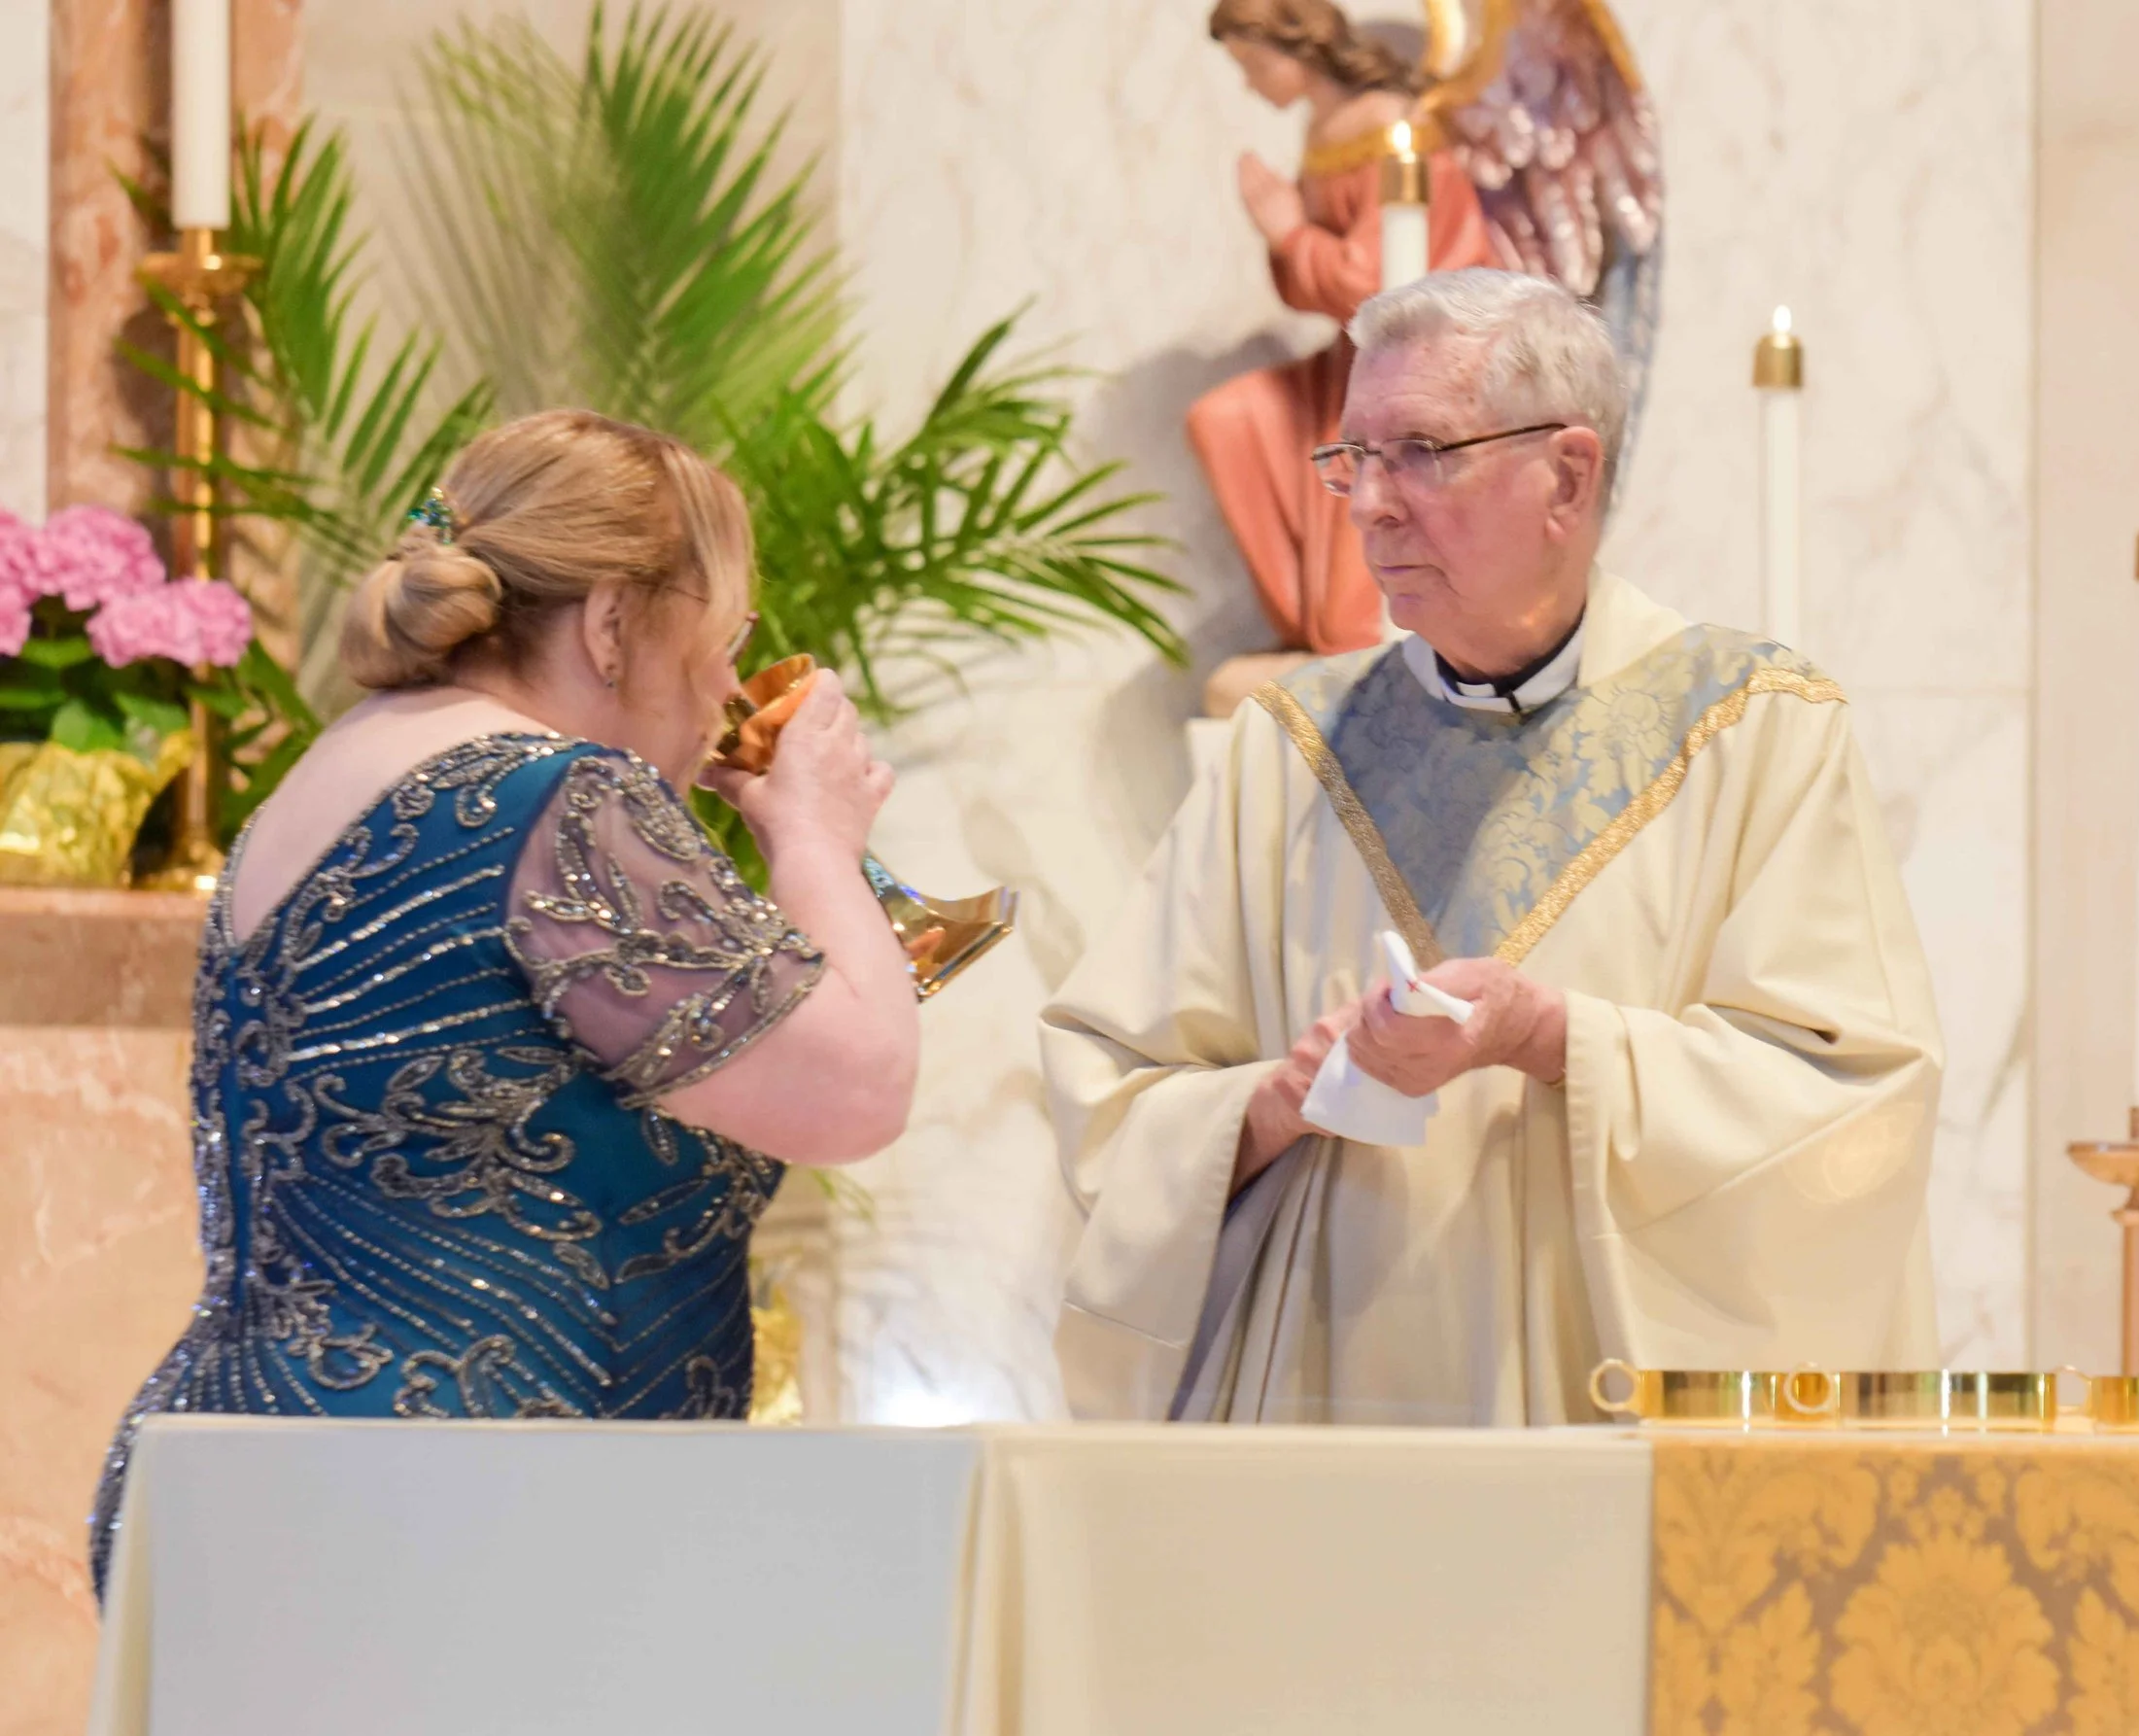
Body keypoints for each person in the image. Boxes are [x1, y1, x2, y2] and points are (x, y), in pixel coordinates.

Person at [1047, 270, 1942, 1425]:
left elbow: (1850, 1098)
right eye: (1354, 458)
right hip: (1333, 1429)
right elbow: (1109, 1090)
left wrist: (1551, 1036)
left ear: (1567, 474)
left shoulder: (1752, 728)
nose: (1369, 505)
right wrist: (1277, 1098)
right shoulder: (1286, 749)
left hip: (1609, 1430)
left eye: (1421, 452)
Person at [89, 409, 919, 1590]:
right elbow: (855, 1090)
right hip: (458, 1523)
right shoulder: (564, 797)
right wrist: (818, 836)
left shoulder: (325, 775)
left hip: (233, 1487)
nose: (730, 687)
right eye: (725, 637)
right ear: (613, 623)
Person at [1189, 0, 1494, 677]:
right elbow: (1320, 289)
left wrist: (1289, 231)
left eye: (1254, 63)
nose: (1250, 84)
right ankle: (1308, 631)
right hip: (1356, 358)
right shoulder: (1324, 131)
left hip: (1423, 364)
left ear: (1298, 45)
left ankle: (1350, 643)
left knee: (1353, 604)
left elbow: (1376, 284)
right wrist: (1289, 238)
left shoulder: (1393, 129)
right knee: (1227, 420)